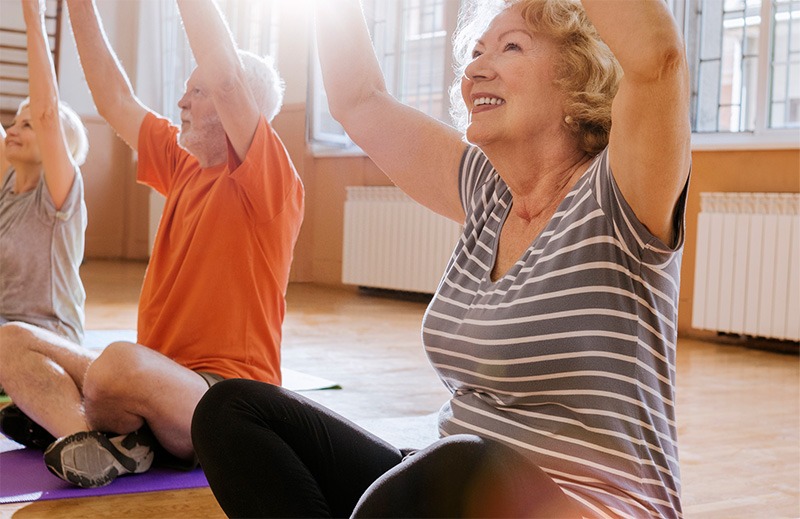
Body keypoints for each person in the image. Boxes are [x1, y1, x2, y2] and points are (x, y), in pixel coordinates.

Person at [191, 0, 691, 517]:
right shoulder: (486, 192)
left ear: (577, 77)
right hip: (453, 492)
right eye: (474, 53)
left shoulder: (621, 196)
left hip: (585, 506)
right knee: (231, 411)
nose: (475, 68)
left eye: (510, 46)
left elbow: (658, 61)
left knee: (455, 468)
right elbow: (358, 99)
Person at [0, 0, 304, 489]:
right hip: (155, 379)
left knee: (118, 367)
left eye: (197, 92)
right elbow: (112, 96)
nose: (182, 103)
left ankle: (100, 425)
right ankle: (97, 440)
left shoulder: (267, 178)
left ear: (236, 105)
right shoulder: (182, 163)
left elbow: (226, 75)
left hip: (224, 400)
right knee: (11, 341)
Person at [0, 0, 89, 346]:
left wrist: (33, 18)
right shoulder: (9, 184)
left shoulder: (60, 196)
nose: (14, 130)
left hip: (50, 339)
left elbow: (47, 113)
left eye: (28, 124)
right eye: (15, 122)